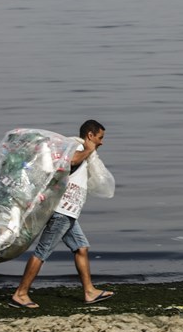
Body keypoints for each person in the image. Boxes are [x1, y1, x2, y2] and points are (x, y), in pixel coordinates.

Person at [9, 119, 114, 309]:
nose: (101, 142)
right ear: (90, 136)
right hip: (61, 212)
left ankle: (89, 292)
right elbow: (70, 162)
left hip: (69, 212)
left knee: (81, 248)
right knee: (42, 252)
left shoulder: (82, 151)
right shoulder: (77, 150)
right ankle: (20, 293)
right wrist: (89, 149)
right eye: (100, 138)